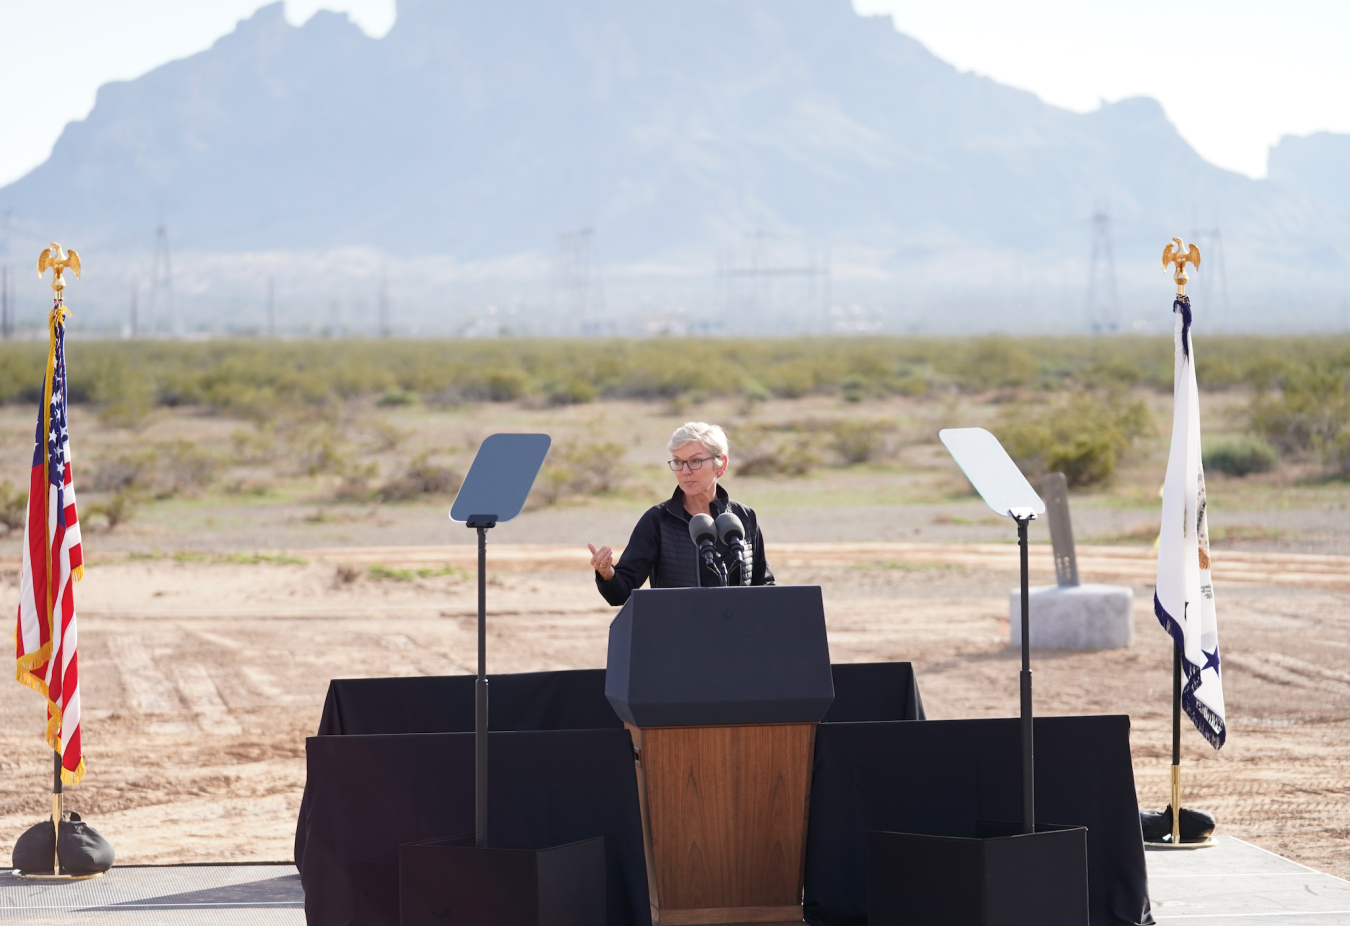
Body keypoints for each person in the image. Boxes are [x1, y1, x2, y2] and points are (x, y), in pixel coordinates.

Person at [588, 421, 774, 606]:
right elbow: (621, 593)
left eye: (695, 461)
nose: (685, 471)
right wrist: (607, 574)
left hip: (738, 632)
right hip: (678, 633)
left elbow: (764, 585)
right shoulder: (657, 521)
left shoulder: (745, 517)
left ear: (721, 465)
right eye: (678, 461)